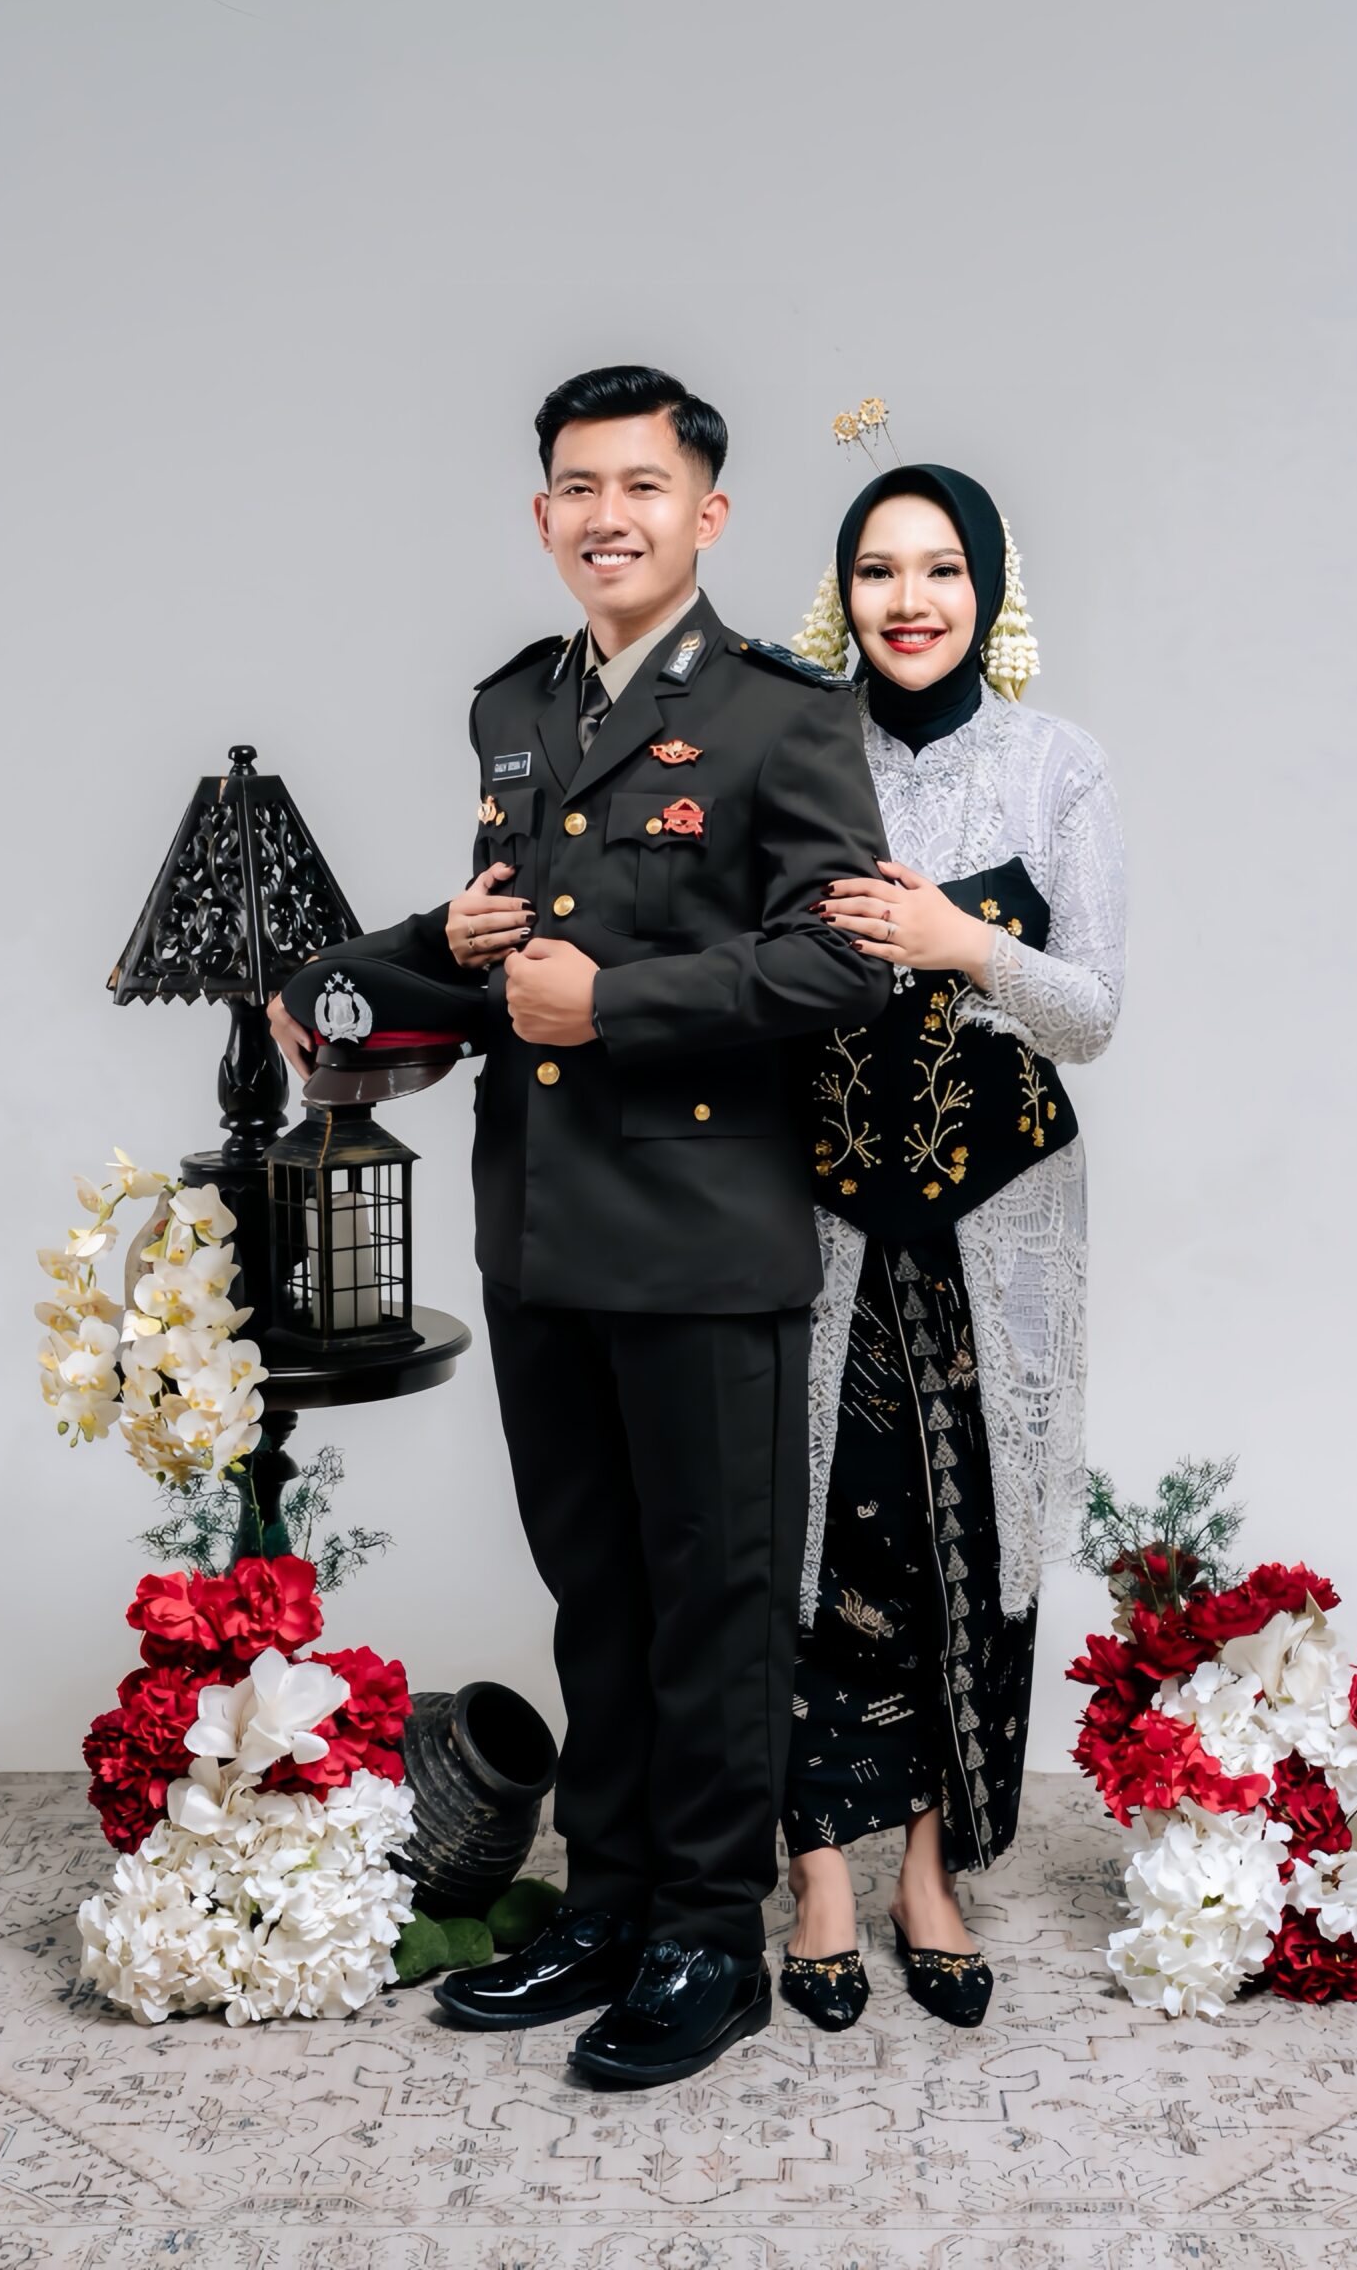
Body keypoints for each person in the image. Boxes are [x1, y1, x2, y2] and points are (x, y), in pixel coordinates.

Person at [270, 365, 890, 2087]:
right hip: (540, 1226)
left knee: (714, 1602)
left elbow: (841, 962)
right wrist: (358, 975)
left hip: (701, 1234)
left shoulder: (781, 716)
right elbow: (509, 939)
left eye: (641, 485)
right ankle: (611, 1901)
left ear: (708, 513)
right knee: (598, 1594)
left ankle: (709, 1939)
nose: (606, 516)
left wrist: (611, 1005)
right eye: (576, 488)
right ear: (542, 514)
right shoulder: (515, 706)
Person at [774, 462, 1126, 2032]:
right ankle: (817, 1872)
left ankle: (927, 1869)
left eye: (939, 570)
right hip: (810, 1203)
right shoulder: (791, 754)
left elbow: (1093, 1013)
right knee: (811, 1530)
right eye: (876, 571)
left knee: (957, 1531)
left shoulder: (1057, 766)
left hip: (997, 1215)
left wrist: (962, 942)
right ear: (840, 592)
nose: (907, 601)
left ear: (988, 589)